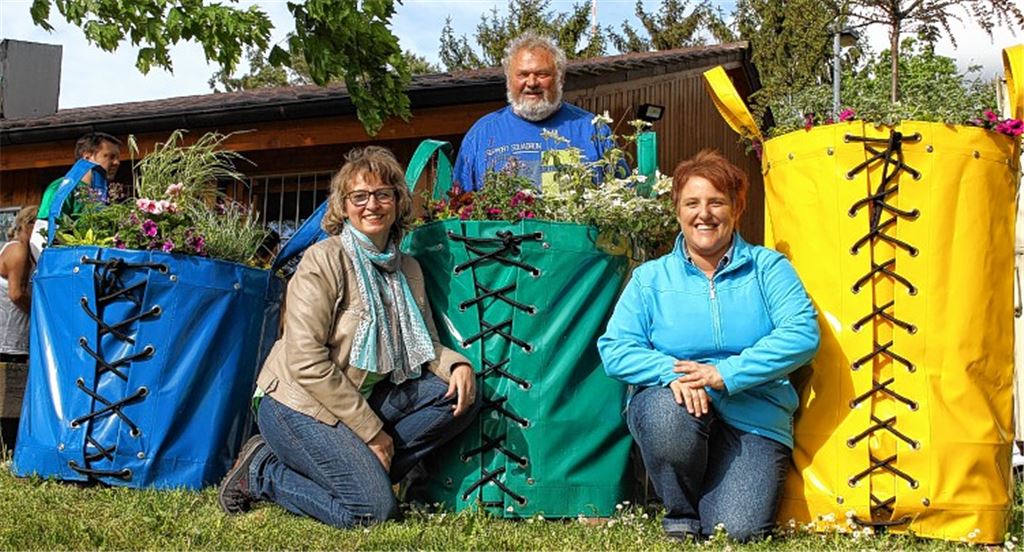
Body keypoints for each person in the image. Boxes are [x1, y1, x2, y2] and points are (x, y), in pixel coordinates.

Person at [218, 146, 480, 528]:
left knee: (459, 396)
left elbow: (424, 345)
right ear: (344, 206)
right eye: (359, 196)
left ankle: (357, 471)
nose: (371, 205)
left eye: (382, 194)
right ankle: (262, 472)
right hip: (298, 403)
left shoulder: (407, 267)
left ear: (397, 201)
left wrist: (457, 365)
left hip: (361, 396)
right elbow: (305, 360)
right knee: (372, 512)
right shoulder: (324, 259)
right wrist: (373, 433)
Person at [598, 150, 820, 542]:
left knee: (735, 531)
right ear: (677, 211)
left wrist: (724, 374)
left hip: (754, 415)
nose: (705, 214)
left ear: (737, 207)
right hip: (678, 407)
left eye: (717, 201)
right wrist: (672, 373)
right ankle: (680, 513)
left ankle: (710, 491)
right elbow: (615, 349)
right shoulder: (650, 278)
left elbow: (802, 334)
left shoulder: (770, 268)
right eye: (692, 203)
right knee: (667, 413)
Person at [453, 31, 612, 191]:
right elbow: (458, 204)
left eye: (542, 74)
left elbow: (625, 198)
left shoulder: (592, 130)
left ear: (561, 78)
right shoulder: (481, 134)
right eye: (522, 74)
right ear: (509, 79)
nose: (532, 82)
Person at [30, 132, 122, 259]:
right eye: (110, 156)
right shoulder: (63, 187)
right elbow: (41, 232)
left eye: (117, 157)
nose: (117, 162)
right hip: (70, 270)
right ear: (87, 157)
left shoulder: (101, 194)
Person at [0, 206, 39, 364]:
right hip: (7, 343)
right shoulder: (18, 251)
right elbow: (16, 294)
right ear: (28, 225)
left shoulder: (23, 249)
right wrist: (40, 314)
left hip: (14, 341)